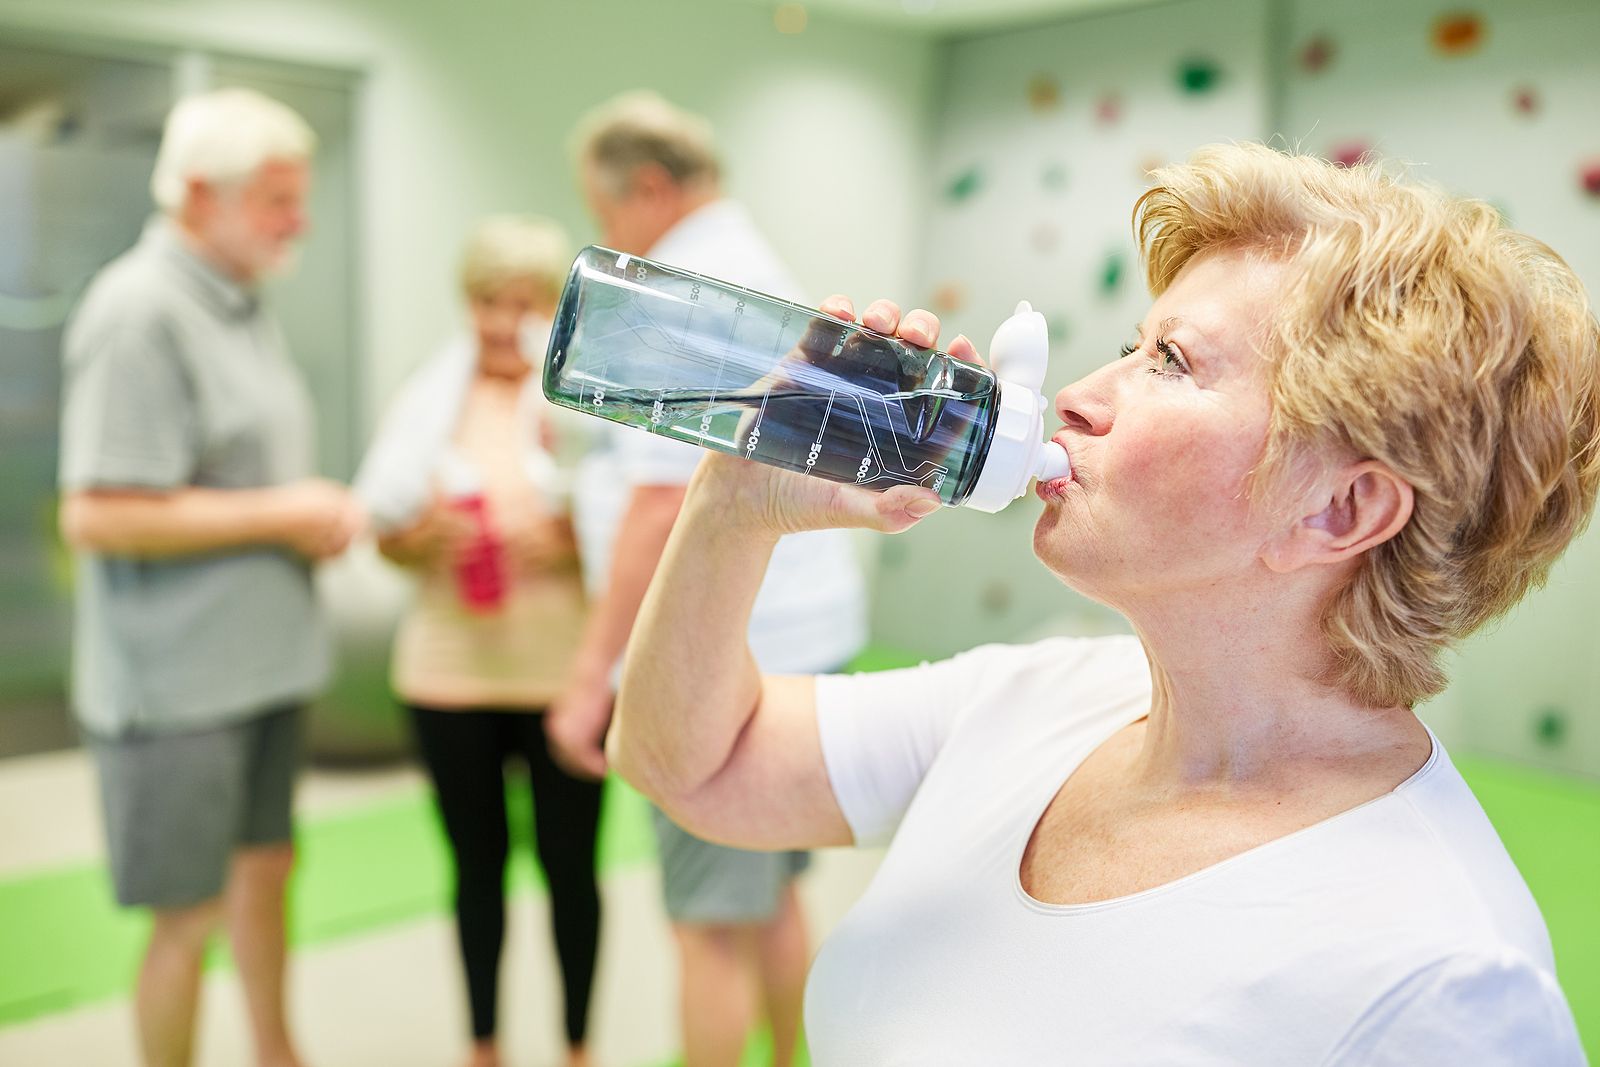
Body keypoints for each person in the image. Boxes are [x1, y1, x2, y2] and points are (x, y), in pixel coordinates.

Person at [605, 142, 1595, 1065]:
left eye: (1170, 360)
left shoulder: (1441, 981)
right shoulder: (1050, 694)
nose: (1077, 394)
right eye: (1135, 344)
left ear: (1339, 507)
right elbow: (693, 763)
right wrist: (736, 505)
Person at [550, 91, 867, 1067]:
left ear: (649, 188)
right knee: (765, 890)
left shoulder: (683, 285)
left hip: (732, 649)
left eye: (606, 217)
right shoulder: (750, 261)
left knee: (705, 925)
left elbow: (657, 506)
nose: (606, 237)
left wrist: (592, 673)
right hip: (805, 632)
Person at [57, 88, 363, 1067]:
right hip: (177, 690)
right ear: (199, 195)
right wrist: (287, 510)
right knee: (185, 918)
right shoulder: (137, 310)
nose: (298, 220)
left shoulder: (238, 298)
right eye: (277, 199)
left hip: (263, 669)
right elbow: (97, 511)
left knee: (267, 868)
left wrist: (302, 516)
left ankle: (278, 1049)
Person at [355, 216, 599, 1067]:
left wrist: (569, 543)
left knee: (572, 870)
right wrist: (420, 541)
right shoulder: (429, 399)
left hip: (563, 676)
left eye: (522, 303)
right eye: (486, 302)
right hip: (447, 672)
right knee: (476, 869)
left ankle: (576, 1044)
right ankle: (483, 1045)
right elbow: (382, 530)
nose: (501, 322)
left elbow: (636, 530)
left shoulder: (586, 403)